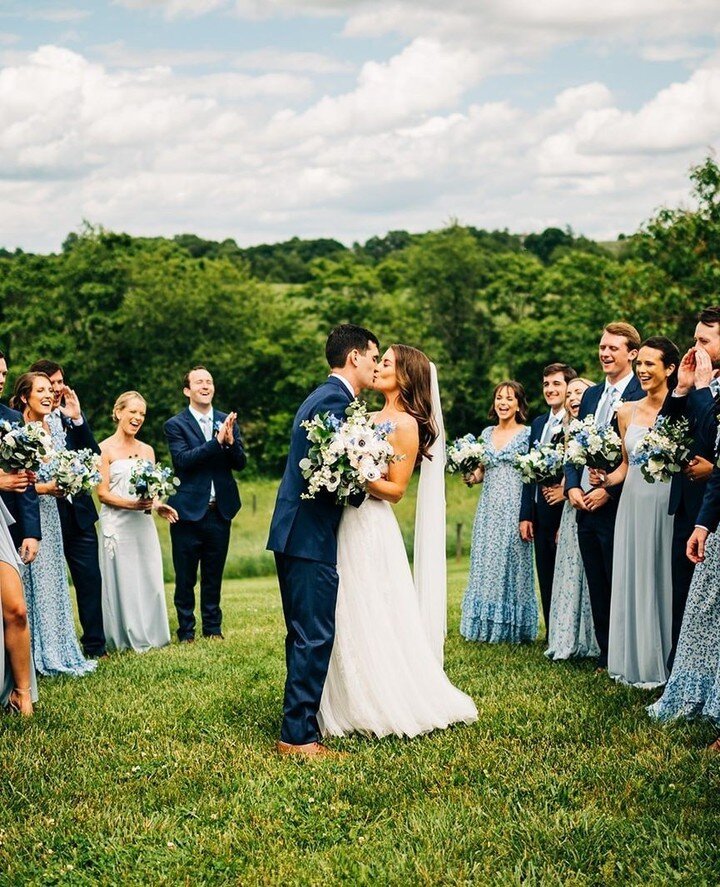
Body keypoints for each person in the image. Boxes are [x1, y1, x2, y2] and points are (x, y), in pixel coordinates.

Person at [318, 345, 477, 738]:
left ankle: (384, 696)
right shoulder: (365, 416)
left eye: (386, 363)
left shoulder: (406, 424)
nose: (379, 368)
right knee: (346, 605)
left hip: (372, 523)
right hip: (346, 520)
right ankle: (347, 696)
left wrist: (358, 474)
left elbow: (396, 489)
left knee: (375, 606)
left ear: (405, 375)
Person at [267, 324, 379, 757]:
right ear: (354, 357)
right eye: (373, 356)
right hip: (307, 534)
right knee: (313, 634)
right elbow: (328, 469)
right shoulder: (334, 401)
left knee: (304, 633)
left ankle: (298, 723)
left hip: (298, 531)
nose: (375, 364)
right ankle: (297, 737)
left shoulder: (325, 397)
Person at [597, 336, 679, 689]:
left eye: (650, 364)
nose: (643, 370)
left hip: (666, 505)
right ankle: (633, 659)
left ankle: (665, 661)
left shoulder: (683, 409)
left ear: (670, 369)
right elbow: (626, 467)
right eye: (640, 363)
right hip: (632, 504)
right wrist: (604, 478)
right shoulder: (626, 411)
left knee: (662, 575)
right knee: (634, 574)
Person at [564, 322, 644, 670]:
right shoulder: (593, 394)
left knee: (620, 580)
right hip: (584, 504)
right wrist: (572, 486)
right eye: (602, 347)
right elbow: (573, 445)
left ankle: (626, 653)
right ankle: (606, 653)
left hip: (620, 503)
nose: (605, 353)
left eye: (613, 348)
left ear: (632, 353)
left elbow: (641, 456)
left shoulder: (642, 394)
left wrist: (608, 493)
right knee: (596, 580)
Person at [11, 373, 96, 678]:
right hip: (28, 515)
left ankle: (59, 649)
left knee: (54, 582)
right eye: (41, 391)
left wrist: (70, 480)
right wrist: (46, 488)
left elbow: (79, 459)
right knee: (32, 585)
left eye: (51, 390)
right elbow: (21, 481)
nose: (49, 395)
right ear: (25, 397)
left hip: (54, 516)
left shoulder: (56, 427)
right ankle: (33, 654)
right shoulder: (18, 430)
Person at [29, 359, 106, 659]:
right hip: (45, 513)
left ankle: (95, 646)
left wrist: (78, 420)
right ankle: (48, 646)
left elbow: (94, 454)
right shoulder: (30, 419)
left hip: (80, 513)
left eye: (61, 382)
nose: (58, 388)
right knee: (49, 584)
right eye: (52, 383)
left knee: (89, 578)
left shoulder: (67, 416)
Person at [164, 367, 246, 642]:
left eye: (209, 381)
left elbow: (240, 463)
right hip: (186, 513)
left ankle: (213, 629)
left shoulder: (227, 420)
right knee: (185, 577)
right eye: (199, 382)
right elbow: (183, 460)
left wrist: (231, 443)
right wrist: (216, 442)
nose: (205, 385)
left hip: (219, 511)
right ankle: (186, 631)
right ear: (187, 390)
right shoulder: (175, 425)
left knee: (214, 574)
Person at [658, 307, 720, 671]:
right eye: (694, 338)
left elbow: (713, 438)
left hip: (714, 509)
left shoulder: (708, 386)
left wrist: (699, 388)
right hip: (687, 505)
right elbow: (666, 433)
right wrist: (680, 388)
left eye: (704, 340)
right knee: (683, 593)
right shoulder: (691, 383)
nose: (694, 347)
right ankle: (679, 673)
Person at [98, 392, 177, 653]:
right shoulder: (104, 449)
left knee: (148, 575)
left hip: (142, 524)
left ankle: (154, 634)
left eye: (142, 414)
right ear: (118, 412)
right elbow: (103, 493)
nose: (138, 418)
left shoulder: (147, 450)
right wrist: (132, 505)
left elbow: (150, 493)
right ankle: (125, 637)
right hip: (117, 525)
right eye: (133, 412)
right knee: (124, 579)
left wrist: (158, 505)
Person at [460, 381, 537, 644]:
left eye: (509, 398)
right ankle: (484, 623)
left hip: (515, 505)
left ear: (518, 404)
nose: (503, 403)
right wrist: (471, 475)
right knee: (487, 561)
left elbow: (531, 474)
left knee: (511, 562)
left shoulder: (527, 434)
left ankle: (513, 627)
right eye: (499, 398)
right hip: (489, 507)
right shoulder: (486, 433)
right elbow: (483, 469)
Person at [519, 362, 577, 639]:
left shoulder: (575, 421)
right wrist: (525, 514)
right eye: (546, 384)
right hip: (539, 510)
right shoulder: (539, 423)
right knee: (545, 570)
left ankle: (567, 631)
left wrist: (564, 494)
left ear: (568, 387)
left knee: (564, 573)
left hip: (564, 506)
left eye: (557, 383)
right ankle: (552, 632)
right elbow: (528, 473)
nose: (551, 389)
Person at [545, 377, 600, 661]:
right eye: (569, 394)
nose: (572, 397)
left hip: (596, 498)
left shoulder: (599, 427)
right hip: (571, 511)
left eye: (579, 392)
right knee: (569, 569)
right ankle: (567, 636)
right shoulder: (566, 432)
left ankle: (592, 638)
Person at [0, 351, 40, 567]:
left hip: (9, 526)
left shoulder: (13, 418)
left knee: (14, 601)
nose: (1, 380)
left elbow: (26, 480)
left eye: (4, 373)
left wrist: (31, 533)